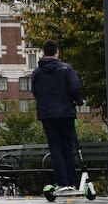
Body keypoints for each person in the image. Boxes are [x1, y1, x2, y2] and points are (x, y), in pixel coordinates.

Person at [31, 39, 84, 192]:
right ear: (56, 52)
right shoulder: (66, 69)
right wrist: (78, 100)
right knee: (67, 146)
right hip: (66, 113)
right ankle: (71, 182)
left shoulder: (37, 73)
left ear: (43, 52)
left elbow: (35, 92)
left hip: (47, 114)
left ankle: (61, 182)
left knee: (55, 147)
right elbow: (74, 88)